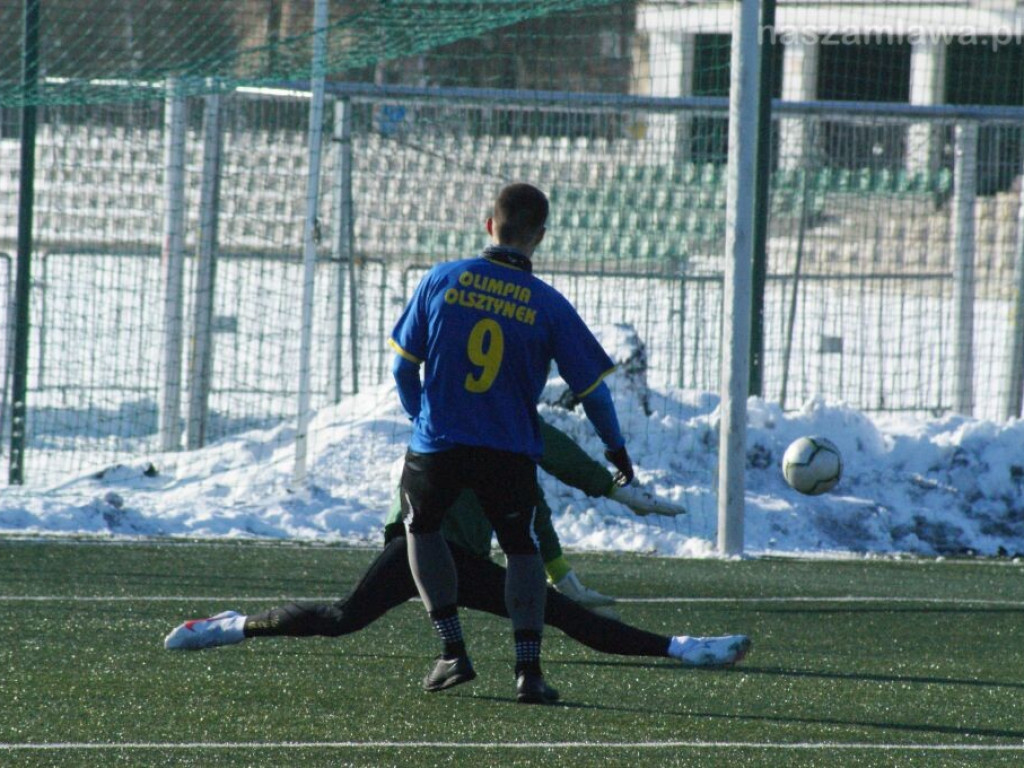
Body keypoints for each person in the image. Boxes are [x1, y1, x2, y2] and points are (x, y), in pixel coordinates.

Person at [164, 421, 752, 699]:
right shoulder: (455, 416)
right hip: (418, 550)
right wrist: (613, 488)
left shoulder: (506, 426)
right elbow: (549, 450)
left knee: (559, 611)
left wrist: (561, 571)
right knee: (342, 618)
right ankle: (230, 626)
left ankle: (684, 648)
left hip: (461, 560)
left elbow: (535, 507)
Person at [388, 182, 636, 703]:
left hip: (439, 443)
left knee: (422, 528)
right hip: (508, 450)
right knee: (521, 548)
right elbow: (593, 392)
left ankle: (452, 651)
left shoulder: (441, 278)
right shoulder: (548, 303)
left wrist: (419, 417)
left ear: (489, 225)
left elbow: (402, 368)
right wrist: (614, 448)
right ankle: (528, 671)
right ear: (539, 237)